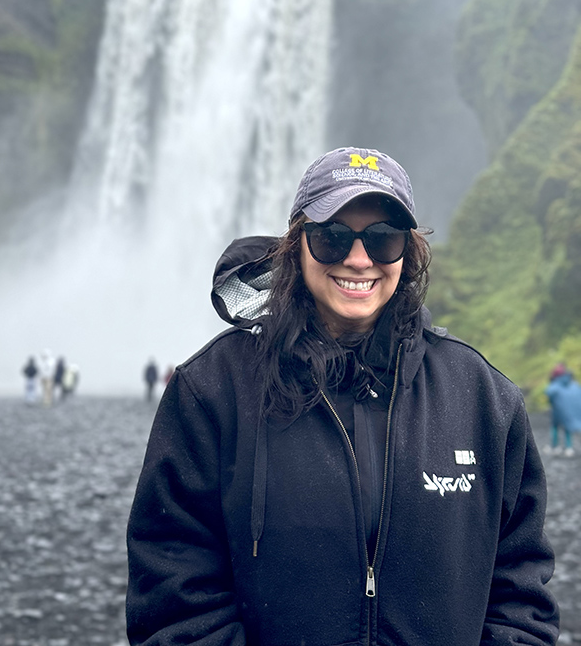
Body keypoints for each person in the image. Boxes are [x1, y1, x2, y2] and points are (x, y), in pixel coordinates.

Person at [127, 147, 559, 646]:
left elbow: (520, 590)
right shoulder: (213, 390)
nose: (359, 259)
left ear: (408, 251)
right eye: (331, 237)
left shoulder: (482, 398)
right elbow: (172, 587)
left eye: (383, 239)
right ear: (296, 246)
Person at [544, 362, 581, 457]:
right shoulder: (573, 384)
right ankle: (569, 448)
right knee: (567, 428)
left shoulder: (555, 384)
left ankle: (555, 447)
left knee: (555, 427)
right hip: (569, 411)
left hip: (557, 411)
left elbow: (548, 393)